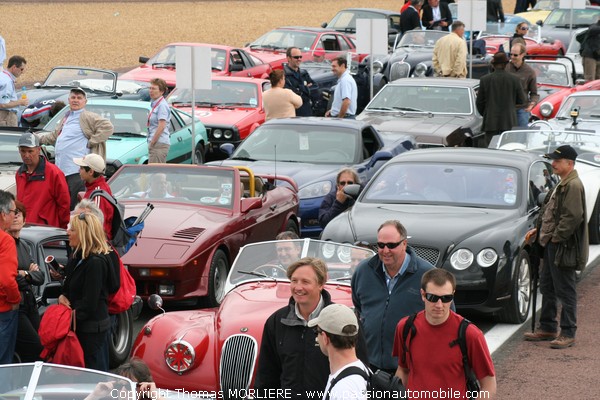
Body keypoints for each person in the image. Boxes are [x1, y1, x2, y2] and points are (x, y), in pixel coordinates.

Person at [255, 257, 368, 399]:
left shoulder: (342, 319)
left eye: (305, 282)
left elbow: (359, 365)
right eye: (294, 281)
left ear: (321, 284)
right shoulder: (277, 322)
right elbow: (267, 376)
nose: (298, 287)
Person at [393, 269, 497, 397]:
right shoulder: (405, 328)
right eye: (433, 298)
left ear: (453, 295)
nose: (439, 305)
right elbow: (403, 370)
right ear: (423, 295)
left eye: (446, 298)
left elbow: (489, 385)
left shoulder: (470, 334)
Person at [351, 220, 435, 374]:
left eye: (391, 245)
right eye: (381, 245)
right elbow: (359, 306)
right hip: (369, 365)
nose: (385, 250)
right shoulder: (363, 271)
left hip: (410, 368)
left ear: (404, 244)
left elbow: (444, 319)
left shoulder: (427, 276)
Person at [524, 145, 588, 349]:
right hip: (554, 244)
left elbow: (572, 217)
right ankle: (548, 326)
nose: (553, 164)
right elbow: (551, 212)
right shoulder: (563, 183)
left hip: (563, 247)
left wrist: (555, 238)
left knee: (565, 290)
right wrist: (539, 230)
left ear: (570, 163)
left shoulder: (573, 185)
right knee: (547, 286)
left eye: (557, 161)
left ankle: (568, 332)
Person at [37, 87, 113, 210]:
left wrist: (92, 142)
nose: (75, 100)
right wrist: (37, 139)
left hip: (76, 171)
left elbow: (108, 127)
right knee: (62, 206)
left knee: (74, 207)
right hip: (62, 170)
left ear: (85, 102)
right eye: (73, 97)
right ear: (68, 100)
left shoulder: (87, 116)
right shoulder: (66, 117)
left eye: (79, 98)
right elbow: (54, 136)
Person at [58, 212, 112, 371]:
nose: (68, 232)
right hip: (81, 327)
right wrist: (62, 296)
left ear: (83, 234)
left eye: (72, 230)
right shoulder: (77, 257)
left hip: (92, 331)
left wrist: (69, 318)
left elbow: (90, 302)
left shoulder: (95, 262)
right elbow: (68, 287)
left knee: (94, 376)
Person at [308, 304, 369, 400]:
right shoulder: (364, 370)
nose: (316, 338)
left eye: (317, 332)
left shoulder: (344, 389)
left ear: (324, 338)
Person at [10, 201, 44, 362]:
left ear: (24, 220)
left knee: (42, 345)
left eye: (19, 213)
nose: (16, 215)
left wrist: (25, 274)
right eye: (13, 212)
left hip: (30, 303)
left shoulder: (24, 245)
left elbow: (40, 277)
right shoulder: (5, 244)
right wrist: (28, 274)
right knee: (34, 347)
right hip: (15, 306)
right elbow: (9, 277)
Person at [15, 132, 70, 229]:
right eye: (23, 151)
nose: (26, 155)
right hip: (25, 231)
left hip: (46, 232)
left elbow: (64, 205)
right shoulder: (19, 174)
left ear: (38, 150)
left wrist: (62, 231)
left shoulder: (54, 173)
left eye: (30, 151)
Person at [476, 52, 527, 147]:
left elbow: (479, 102)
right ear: (506, 64)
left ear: (493, 65)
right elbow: (521, 100)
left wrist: (487, 113)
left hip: (491, 121)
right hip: (508, 121)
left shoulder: (485, 79)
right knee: (507, 149)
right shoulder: (514, 79)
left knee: (491, 150)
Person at [0, 190, 20, 365]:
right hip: (3, 309)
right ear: (3, 214)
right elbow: (6, 279)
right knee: (4, 365)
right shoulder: (5, 240)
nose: (15, 216)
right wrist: (15, 299)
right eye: (13, 212)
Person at [74, 154, 114, 239]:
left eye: (81, 168)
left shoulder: (98, 195)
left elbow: (97, 226)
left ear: (91, 172)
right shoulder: (95, 188)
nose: (79, 171)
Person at [506, 42, 539, 128]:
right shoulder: (505, 68)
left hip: (522, 109)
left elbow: (534, 93)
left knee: (521, 136)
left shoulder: (529, 72)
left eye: (515, 55)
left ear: (522, 55)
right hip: (506, 108)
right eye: (511, 54)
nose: (512, 57)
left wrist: (532, 104)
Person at [284, 47, 316, 117]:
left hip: (307, 112)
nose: (299, 59)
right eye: (296, 57)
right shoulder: (284, 75)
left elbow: (315, 88)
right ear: (288, 58)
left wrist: (300, 89)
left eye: (300, 57)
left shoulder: (304, 73)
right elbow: (289, 94)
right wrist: (305, 88)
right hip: (293, 115)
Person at [0, 55, 28, 127]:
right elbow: (3, 104)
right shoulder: (7, 81)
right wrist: (20, 102)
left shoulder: (2, 76)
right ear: (14, 67)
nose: (22, 72)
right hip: (6, 117)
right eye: (21, 69)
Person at [147, 78, 171, 164]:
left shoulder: (162, 106)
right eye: (150, 88)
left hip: (159, 144)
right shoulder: (155, 104)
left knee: (155, 174)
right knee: (157, 174)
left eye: (154, 89)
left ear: (161, 91)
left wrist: (152, 142)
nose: (150, 91)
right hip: (157, 143)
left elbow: (161, 126)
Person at [578, 18, 600, 82]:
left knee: (598, 81)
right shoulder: (594, 27)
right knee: (590, 80)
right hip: (590, 56)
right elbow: (592, 29)